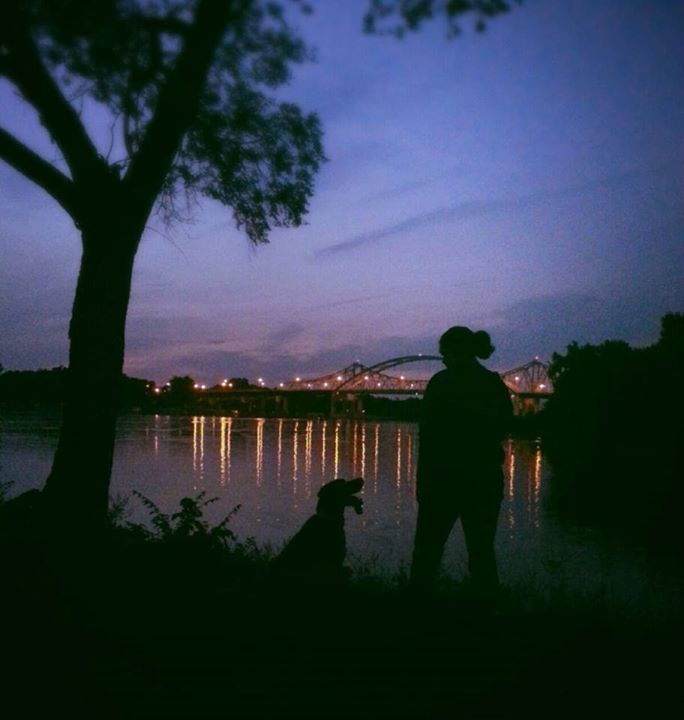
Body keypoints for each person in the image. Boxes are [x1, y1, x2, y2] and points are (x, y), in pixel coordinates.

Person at [410, 326, 513, 593]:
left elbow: (429, 438)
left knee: (426, 553)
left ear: (455, 352)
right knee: (482, 555)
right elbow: (504, 428)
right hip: (485, 481)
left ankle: (415, 614)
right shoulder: (494, 384)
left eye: (444, 353)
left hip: (442, 481)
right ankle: (486, 615)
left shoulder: (441, 383)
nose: (442, 359)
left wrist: (422, 485)